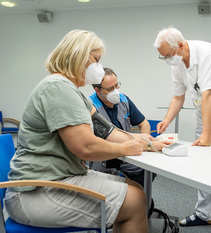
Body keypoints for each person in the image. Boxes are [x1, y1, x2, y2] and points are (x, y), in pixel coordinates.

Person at [4, 29, 170, 233]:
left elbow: (108, 131)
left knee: (134, 189)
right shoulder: (57, 87)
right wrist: (128, 147)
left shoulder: (72, 92)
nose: (99, 68)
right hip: (36, 191)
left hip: (55, 180)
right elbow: (85, 146)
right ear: (77, 55)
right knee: (135, 201)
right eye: (96, 59)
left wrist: (149, 142)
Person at [154, 27, 211, 233]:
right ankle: (204, 214)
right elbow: (178, 96)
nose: (166, 59)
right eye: (163, 56)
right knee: (202, 163)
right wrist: (166, 120)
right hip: (203, 111)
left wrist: (205, 134)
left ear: (181, 45)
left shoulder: (207, 52)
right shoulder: (176, 63)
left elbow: (208, 94)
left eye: (167, 54)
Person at [89, 67, 152, 187]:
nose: (115, 91)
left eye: (117, 86)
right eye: (110, 89)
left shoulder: (124, 100)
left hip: (127, 154)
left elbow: (144, 124)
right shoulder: (90, 107)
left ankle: (138, 199)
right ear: (97, 90)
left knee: (147, 171)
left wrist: (145, 144)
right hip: (104, 158)